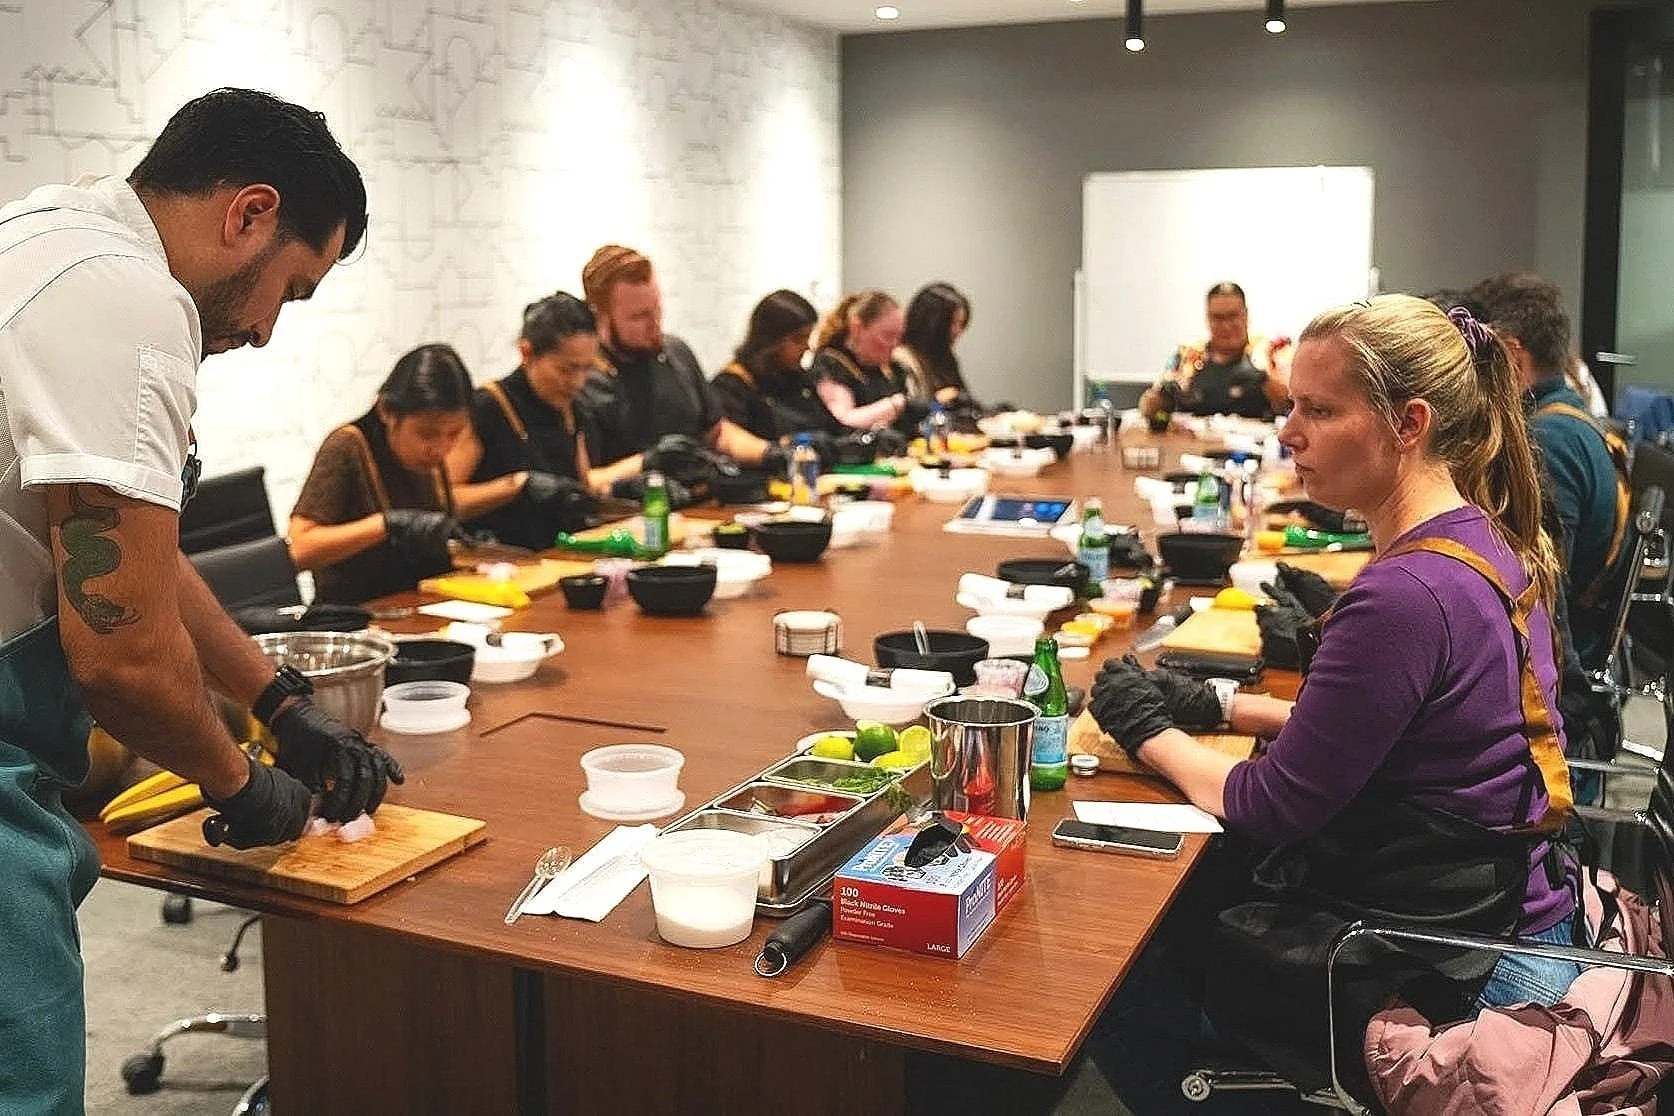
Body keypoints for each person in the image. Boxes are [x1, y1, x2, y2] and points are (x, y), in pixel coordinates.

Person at [0, 88, 401, 1114]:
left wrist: (278, 704)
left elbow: (134, 560)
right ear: (250, 213)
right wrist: (237, 782)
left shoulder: (51, 233)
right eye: (291, 290)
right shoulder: (130, 305)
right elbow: (121, 652)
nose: (267, 331)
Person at [1088, 295, 1577, 1110]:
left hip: (1459, 968)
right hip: (1510, 914)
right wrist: (1220, 706)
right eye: (1291, 406)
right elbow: (1399, 736)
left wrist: (1149, 732)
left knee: (1114, 981)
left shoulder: (1403, 596)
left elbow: (1270, 803)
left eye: (1318, 409)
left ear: (1408, 422)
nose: (1289, 431)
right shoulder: (1477, 540)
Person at [290, 344, 509, 603]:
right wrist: (387, 524)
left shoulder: (431, 457)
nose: (441, 449)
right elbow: (297, 549)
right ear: (386, 411)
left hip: (420, 608)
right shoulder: (348, 445)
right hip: (355, 617)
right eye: (427, 434)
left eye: (453, 434)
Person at [576, 245, 787, 498]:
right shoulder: (580, 378)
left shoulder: (676, 352)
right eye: (639, 316)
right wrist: (647, 463)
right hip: (628, 518)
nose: (654, 324)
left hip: (698, 505)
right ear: (599, 315)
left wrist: (772, 453)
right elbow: (584, 480)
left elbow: (717, 433)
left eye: (657, 309)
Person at [447, 292, 600, 550]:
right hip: (500, 567)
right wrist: (517, 486)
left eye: (587, 368)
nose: (578, 382)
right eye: (566, 369)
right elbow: (444, 500)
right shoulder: (488, 407)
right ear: (526, 352)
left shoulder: (574, 409)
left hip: (560, 558)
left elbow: (583, 487)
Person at [1140, 281, 1293, 423]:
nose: (1226, 326)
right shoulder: (1188, 355)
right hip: (1194, 444)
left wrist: (1263, 377)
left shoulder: (1270, 352)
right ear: (1208, 319)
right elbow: (1149, 405)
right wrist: (1157, 401)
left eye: (1233, 316)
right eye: (1218, 318)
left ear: (1245, 315)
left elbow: (1289, 402)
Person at [711, 289, 838, 442]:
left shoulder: (799, 380)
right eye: (798, 339)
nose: (807, 347)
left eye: (808, 338)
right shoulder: (732, 388)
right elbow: (733, 450)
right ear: (771, 342)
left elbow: (833, 431)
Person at [809, 288, 926, 434]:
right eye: (888, 336)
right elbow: (843, 419)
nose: (895, 344)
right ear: (857, 328)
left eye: (899, 337)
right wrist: (896, 405)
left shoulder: (891, 367)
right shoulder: (831, 363)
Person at [896, 281, 974, 406]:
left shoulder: (945, 358)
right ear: (932, 323)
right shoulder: (903, 359)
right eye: (953, 323)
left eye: (961, 323)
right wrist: (937, 401)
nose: (958, 331)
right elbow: (907, 411)